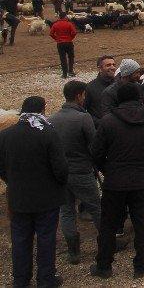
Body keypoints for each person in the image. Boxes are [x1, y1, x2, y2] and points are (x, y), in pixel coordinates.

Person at [89, 82, 144, 279]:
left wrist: (106, 168)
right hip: (141, 180)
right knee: (141, 222)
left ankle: (104, 266)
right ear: (139, 97)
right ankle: (141, 265)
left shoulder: (108, 121)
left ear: (119, 99)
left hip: (115, 180)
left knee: (109, 224)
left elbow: (96, 152)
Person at [0, 96, 68, 288]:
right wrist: (59, 184)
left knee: (20, 239)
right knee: (46, 239)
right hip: (46, 197)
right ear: (43, 110)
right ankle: (45, 279)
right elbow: (61, 168)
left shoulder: (5, 135)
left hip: (18, 196)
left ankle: (20, 280)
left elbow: (1, 166)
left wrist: (12, 181)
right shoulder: (48, 134)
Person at [49, 80, 101, 265]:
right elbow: (94, 145)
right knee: (96, 207)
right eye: (84, 95)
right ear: (79, 96)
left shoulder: (52, 119)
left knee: (66, 212)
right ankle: (107, 242)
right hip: (82, 171)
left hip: (61, 174)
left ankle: (74, 251)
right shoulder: (83, 118)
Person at [49, 11, 78, 78]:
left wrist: (56, 39)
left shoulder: (55, 24)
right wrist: (71, 38)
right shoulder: (69, 24)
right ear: (65, 16)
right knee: (71, 57)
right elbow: (74, 32)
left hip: (60, 43)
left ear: (59, 17)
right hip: (68, 42)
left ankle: (64, 74)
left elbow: (51, 34)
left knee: (63, 58)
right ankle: (71, 71)